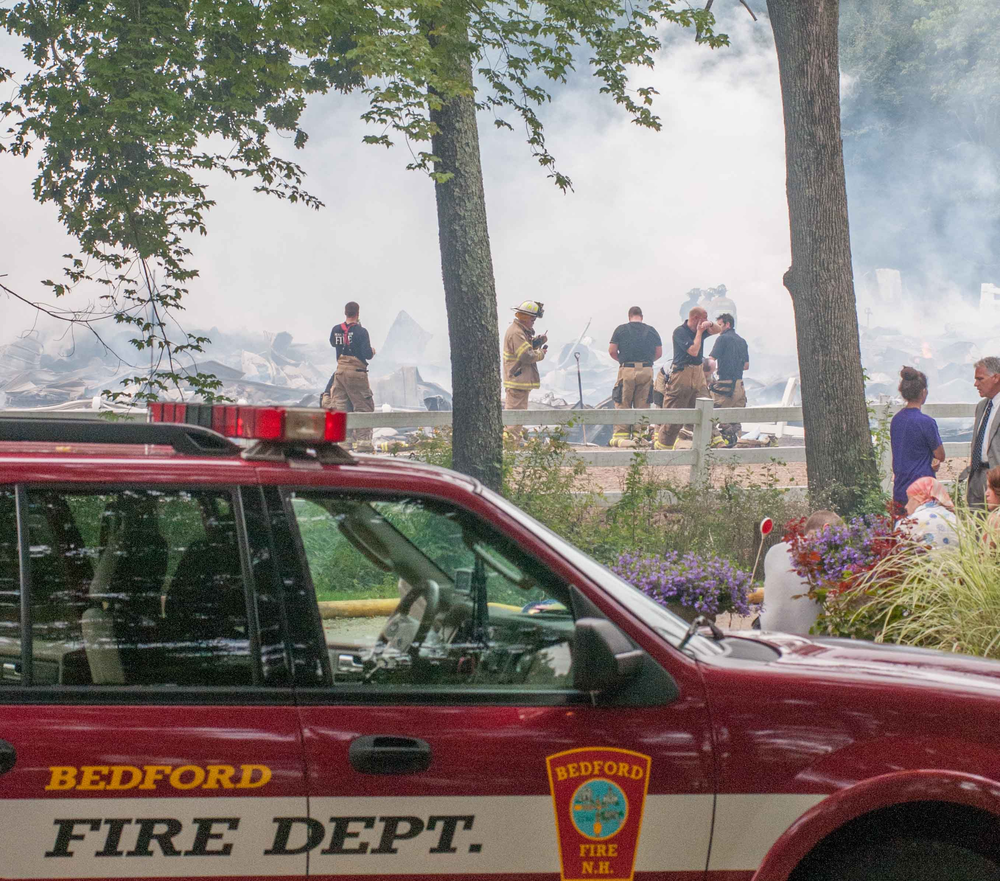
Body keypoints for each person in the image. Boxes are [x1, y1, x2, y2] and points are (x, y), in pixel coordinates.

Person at [759, 510, 843, 634]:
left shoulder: (773, 551)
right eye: (839, 537)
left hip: (769, 636)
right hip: (808, 641)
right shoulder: (823, 556)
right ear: (827, 529)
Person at [654, 307, 720, 450]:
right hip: (681, 375)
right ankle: (663, 446)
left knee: (706, 406)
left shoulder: (701, 328)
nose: (706, 320)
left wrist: (709, 325)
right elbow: (694, 351)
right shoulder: (680, 332)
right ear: (695, 318)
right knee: (675, 414)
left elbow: (718, 329)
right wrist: (700, 332)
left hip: (697, 374)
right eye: (704, 317)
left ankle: (715, 441)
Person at [889, 366, 945, 517]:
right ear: (923, 392)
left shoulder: (896, 420)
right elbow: (940, 454)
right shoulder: (926, 422)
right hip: (922, 487)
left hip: (901, 484)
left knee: (901, 528)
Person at [320, 301, 376, 450]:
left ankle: (345, 445)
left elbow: (334, 343)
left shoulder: (336, 329)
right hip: (356, 373)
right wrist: (373, 351)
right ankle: (364, 446)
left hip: (340, 373)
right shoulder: (361, 332)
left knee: (342, 408)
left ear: (345, 313)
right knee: (363, 407)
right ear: (358, 313)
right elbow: (367, 354)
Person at [607, 306, 662, 447]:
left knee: (623, 403)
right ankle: (640, 437)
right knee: (643, 405)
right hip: (646, 370)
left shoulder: (621, 330)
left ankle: (622, 438)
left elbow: (612, 351)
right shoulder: (652, 331)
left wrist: (622, 360)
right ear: (641, 317)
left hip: (627, 369)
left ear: (629, 316)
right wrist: (647, 363)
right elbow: (659, 353)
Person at [502, 300, 548, 440]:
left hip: (517, 381)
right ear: (527, 318)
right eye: (533, 320)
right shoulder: (516, 333)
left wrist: (536, 343)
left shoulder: (519, 331)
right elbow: (525, 356)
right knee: (515, 421)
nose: (533, 322)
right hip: (517, 382)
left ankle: (510, 447)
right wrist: (540, 354)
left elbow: (522, 349)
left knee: (516, 420)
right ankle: (510, 450)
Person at [709, 312, 749, 447]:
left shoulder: (722, 339)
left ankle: (717, 443)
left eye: (720, 325)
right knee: (735, 420)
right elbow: (746, 366)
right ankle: (736, 444)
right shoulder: (742, 341)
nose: (718, 328)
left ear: (727, 324)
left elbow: (711, 361)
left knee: (711, 415)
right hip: (740, 386)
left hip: (725, 387)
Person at [965, 356, 1000, 509]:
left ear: (996, 378)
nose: (975, 384)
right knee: (977, 527)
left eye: (980, 379)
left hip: (997, 479)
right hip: (978, 476)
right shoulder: (982, 407)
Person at [902, 477, 958, 551]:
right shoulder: (954, 518)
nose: (906, 506)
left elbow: (897, 550)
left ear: (919, 498)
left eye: (909, 499)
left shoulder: (910, 523)